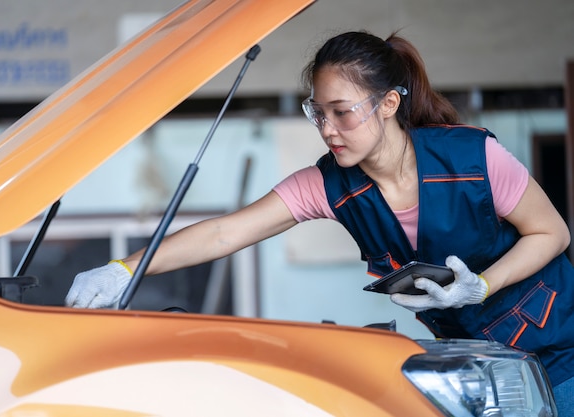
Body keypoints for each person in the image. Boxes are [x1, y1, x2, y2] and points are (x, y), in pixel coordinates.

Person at [66, 30, 574, 412]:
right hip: (477, 370)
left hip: (561, 347)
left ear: (388, 104)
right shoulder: (329, 184)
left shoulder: (474, 159)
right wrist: (124, 269)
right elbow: (226, 231)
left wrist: (482, 286)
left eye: (342, 112)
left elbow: (552, 232)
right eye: (318, 113)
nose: (328, 130)